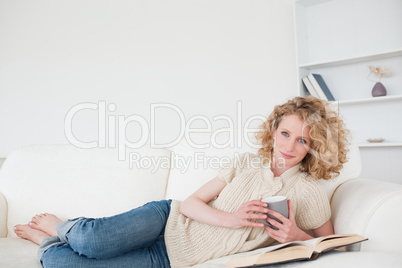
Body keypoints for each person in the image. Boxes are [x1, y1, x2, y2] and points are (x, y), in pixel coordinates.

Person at [14, 96, 349, 268]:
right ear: (274, 131)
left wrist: (297, 236)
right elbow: (189, 203)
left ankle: (44, 241)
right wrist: (231, 219)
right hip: (166, 219)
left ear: (315, 146)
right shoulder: (246, 163)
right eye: (285, 133)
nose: (289, 146)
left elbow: (336, 246)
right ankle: (62, 226)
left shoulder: (308, 191)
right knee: (91, 243)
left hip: (172, 260)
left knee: (61, 262)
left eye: (303, 140)